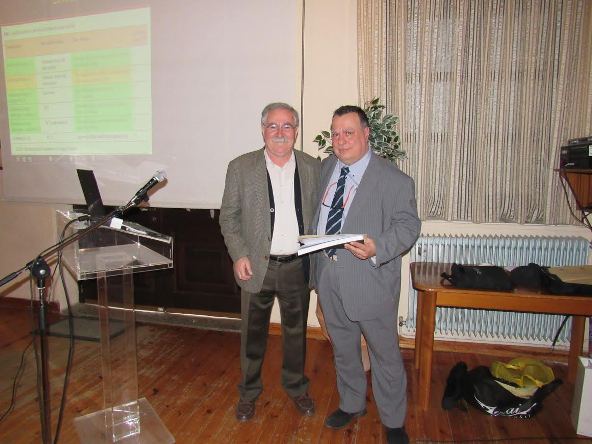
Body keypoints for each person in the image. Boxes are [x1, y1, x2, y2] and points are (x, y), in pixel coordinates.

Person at [312, 105, 421, 444]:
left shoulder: (394, 180)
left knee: (384, 355)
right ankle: (351, 404)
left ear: (366, 134)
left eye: (348, 133)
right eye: (335, 133)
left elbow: (408, 226)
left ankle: (393, 421)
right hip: (329, 275)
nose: (340, 140)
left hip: (370, 281)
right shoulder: (326, 168)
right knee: (343, 347)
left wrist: (379, 247)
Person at [219, 102, 320, 422]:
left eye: (287, 125)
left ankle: (296, 387)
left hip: (297, 267)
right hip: (256, 267)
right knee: (252, 336)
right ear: (263, 130)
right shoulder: (240, 167)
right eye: (272, 125)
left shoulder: (311, 166)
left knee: (296, 334)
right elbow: (228, 218)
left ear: (296, 131)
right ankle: (248, 393)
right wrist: (239, 254)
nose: (280, 132)